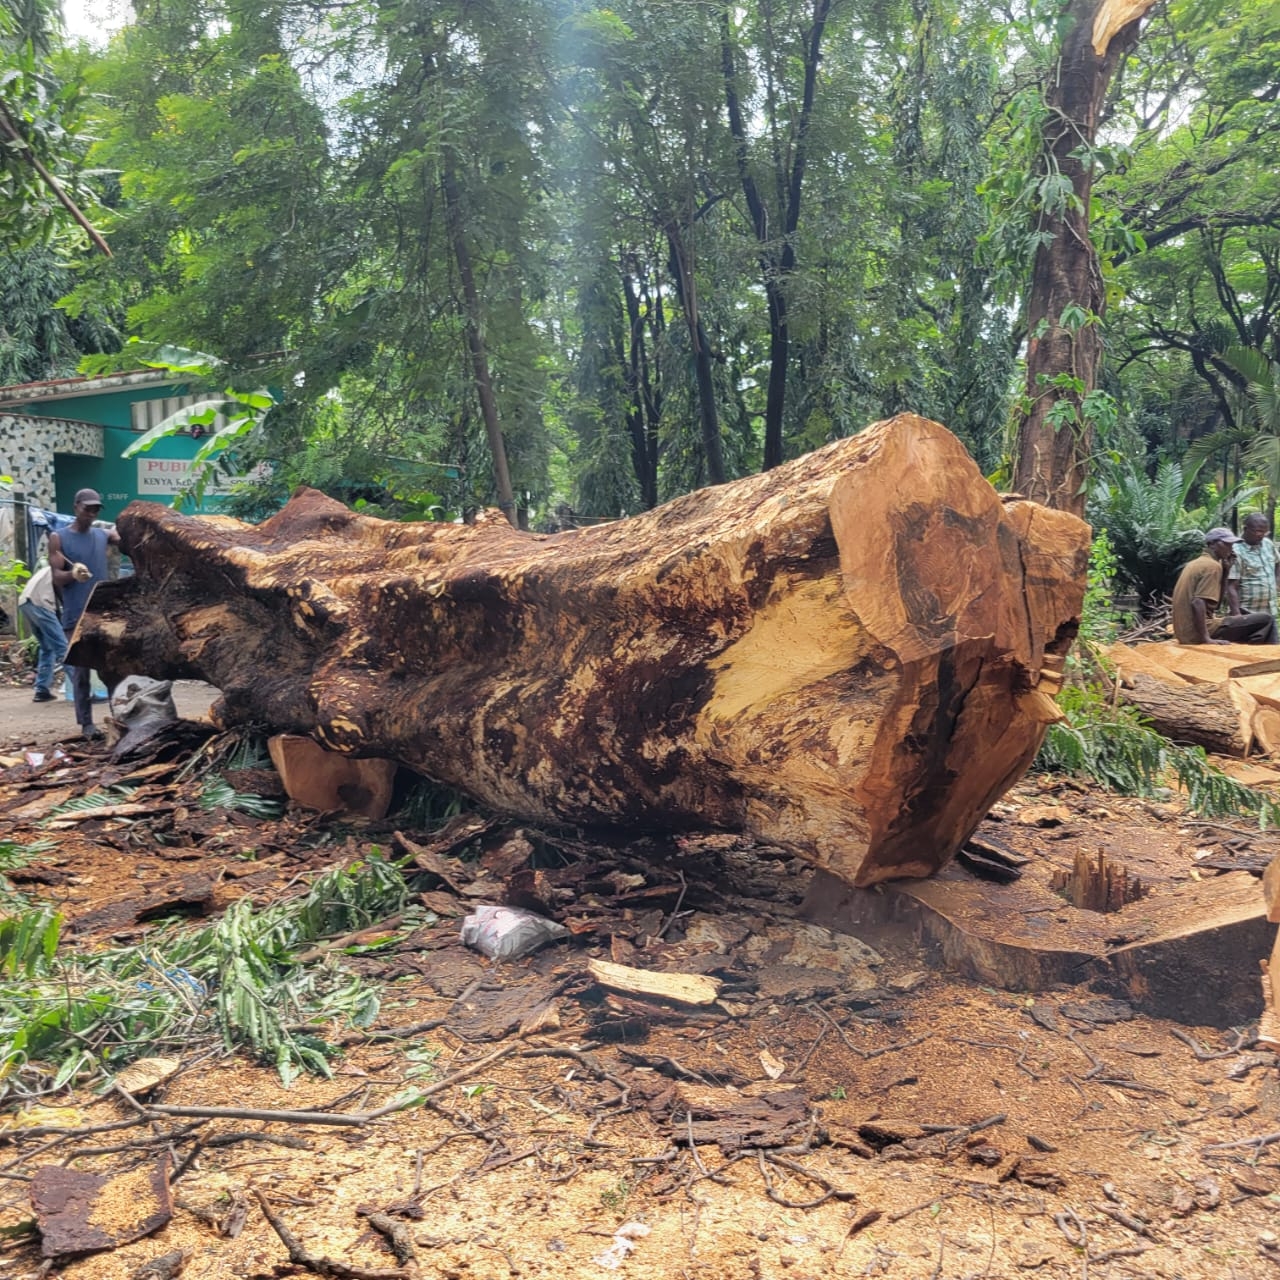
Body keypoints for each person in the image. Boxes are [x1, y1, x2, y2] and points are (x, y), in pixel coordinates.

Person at [48, 488, 121, 739]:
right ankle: (87, 724)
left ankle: (118, 718)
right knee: (81, 672)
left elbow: (121, 537)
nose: (91, 513)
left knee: (111, 669)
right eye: (87, 508)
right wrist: (72, 575)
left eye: (96, 509)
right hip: (75, 614)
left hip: (101, 613)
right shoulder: (59, 538)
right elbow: (57, 577)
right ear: (76, 507)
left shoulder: (102, 535)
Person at [1171, 527, 1279, 646]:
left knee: (1247, 617)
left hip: (1185, 632)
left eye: (1232, 545)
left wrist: (1226, 572)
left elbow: (1215, 606)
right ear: (1212, 544)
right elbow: (1198, 602)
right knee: (1267, 620)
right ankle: (1272, 658)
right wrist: (1206, 639)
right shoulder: (1211, 566)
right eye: (1226, 544)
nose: (1231, 548)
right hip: (1195, 633)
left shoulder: (1196, 563)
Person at [17, 562, 67, 703]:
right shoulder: (62, 571)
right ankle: (80, 690)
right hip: (40, 604)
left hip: (26, 604)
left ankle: (42, 690)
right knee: (63, 648)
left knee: (47, 648)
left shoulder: (47, 569)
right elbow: (60, 594)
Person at [1226, 513, 1280, 621]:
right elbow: (1231, 586)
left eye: (1265, 532)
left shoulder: (1268, 544)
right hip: (1247, 613)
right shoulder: (1236, 551)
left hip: (1269, 610)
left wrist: (1277, 581)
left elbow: (1278, 562)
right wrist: (1237, 616)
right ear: (1245, 529)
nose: (1261, 535)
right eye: (1258, 531)